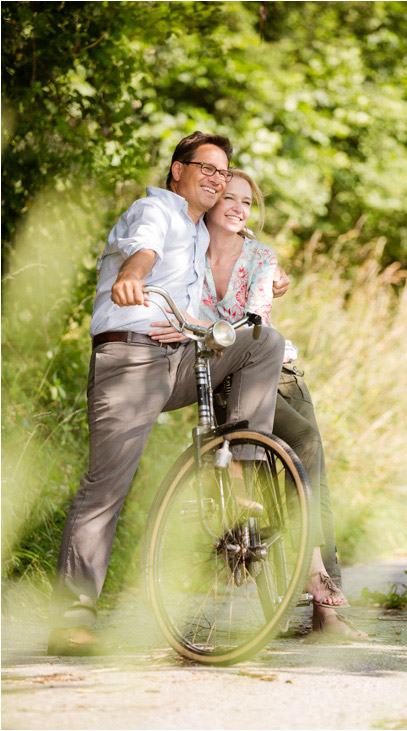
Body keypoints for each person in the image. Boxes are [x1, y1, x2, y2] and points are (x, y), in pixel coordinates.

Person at [48, 132, 287, 656]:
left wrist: (272, 274)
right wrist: (133, 276)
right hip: (131, 359)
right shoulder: (154, 209)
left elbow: (233, 264)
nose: (217, 180)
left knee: (263, 341)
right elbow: (143, 248)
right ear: (177, 170)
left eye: (224, 174)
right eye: (207, 168)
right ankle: (72, 617)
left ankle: (241, 463)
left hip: (180, 358)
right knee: (107, 484)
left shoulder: (202, 234)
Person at [148, 170, 364, 639]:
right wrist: (178, 322)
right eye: (229, 197)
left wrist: (187, 323)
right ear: (210, 201)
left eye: (247, 202)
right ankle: (205, 606)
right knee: (241, 479)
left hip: (279, 376)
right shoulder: (186, 251)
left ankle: (325, 608)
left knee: (309, 464)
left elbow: (255, 323)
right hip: (221, 377)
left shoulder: (262, 257)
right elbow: (165, 297)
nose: (240, 208)